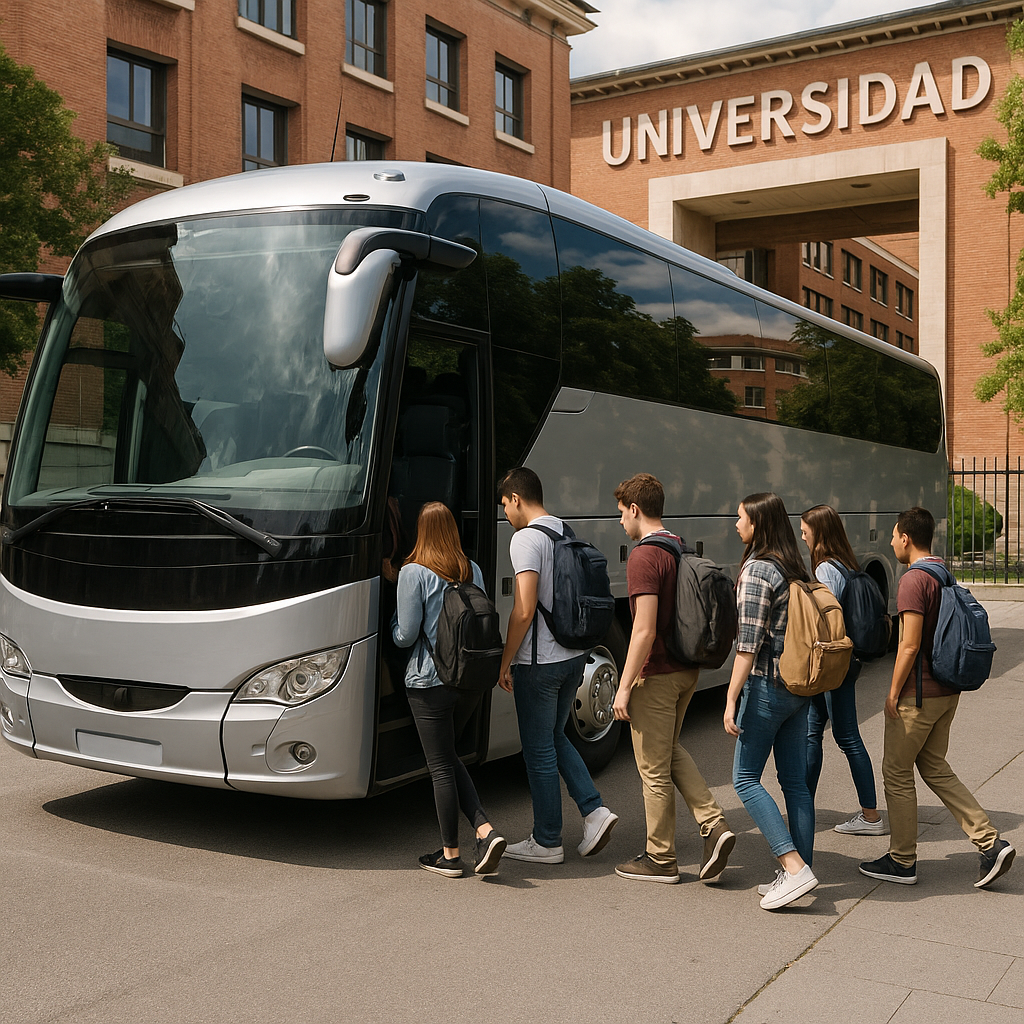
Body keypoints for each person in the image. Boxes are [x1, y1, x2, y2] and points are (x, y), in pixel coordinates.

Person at [859, 507, 1015, 888]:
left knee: (896, 773)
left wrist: (892, 694)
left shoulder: (913, 581)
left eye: (895, 536)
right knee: (934, 767)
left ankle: (902, 860)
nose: (892, 542)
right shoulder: (943, 572)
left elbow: (908, 645)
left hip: (919, 696)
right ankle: (991, 843)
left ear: (906, 537)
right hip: (947, 691)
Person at [611, 473, 735, 884]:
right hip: (687, 670)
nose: (621, 524)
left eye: (621, 515)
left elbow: (644, 629)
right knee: (668, 752)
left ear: (635, 509)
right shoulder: (678, 547)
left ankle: (660, 858)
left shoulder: (644, 557)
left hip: (658, 675)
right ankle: (713, 824)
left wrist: (624, 686)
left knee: (652, 770)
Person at [497, 467, 618, 864]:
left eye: (504, 505)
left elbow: (524, 608)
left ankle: (547, 840)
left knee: (538, 751)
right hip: (574, 657)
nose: (505, 514)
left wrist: (506, 660)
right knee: (556, 736)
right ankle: (594, 810)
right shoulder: (564, 530)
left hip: (540, 663)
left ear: (516, 498)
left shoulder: (525, 539)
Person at [392, 502, 507, 878]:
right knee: (450, 758)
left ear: (420, 532)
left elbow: (406, 634)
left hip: (429, 682)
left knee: (440, 766)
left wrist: (392, 622)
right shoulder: (470, 568)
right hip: (470, 680)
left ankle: (451, 855)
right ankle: (485, 832)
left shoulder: (413, 572)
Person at [724, 492, 819, 911]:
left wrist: (729, 700)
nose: (736, 524)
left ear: (758, 524)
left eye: (741, 517)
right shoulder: (793, 565)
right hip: (799, 689)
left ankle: (793, 866)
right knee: (795, 784)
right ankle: (800, 872)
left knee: (744, 779)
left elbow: (747, 645)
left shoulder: (759, 570)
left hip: (767, 686)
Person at [799, 505, 885, 837]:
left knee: (847, 737)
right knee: (812, 731)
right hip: (844, 663)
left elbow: (824, 621)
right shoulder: (846, 563)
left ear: (819, 532)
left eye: (805, 529)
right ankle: (802, 805)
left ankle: (871, 816)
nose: (802, 534)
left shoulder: (825, 570)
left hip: (833, 665)